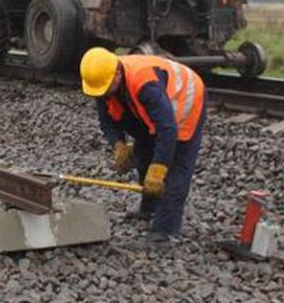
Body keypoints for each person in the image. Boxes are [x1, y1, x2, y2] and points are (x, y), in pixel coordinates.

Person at [79, 47, 206, 245]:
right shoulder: (103, 79)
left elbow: (168, 129)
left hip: (185, 100)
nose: (102, 94)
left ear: (118, 74)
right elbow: (107, 120)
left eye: (105, 89)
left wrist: (159, 168)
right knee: (144, 150)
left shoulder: (145, 83)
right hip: (156, 110)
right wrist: (118, 145)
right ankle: (149, 208)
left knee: (177, 166)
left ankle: (165, 231)